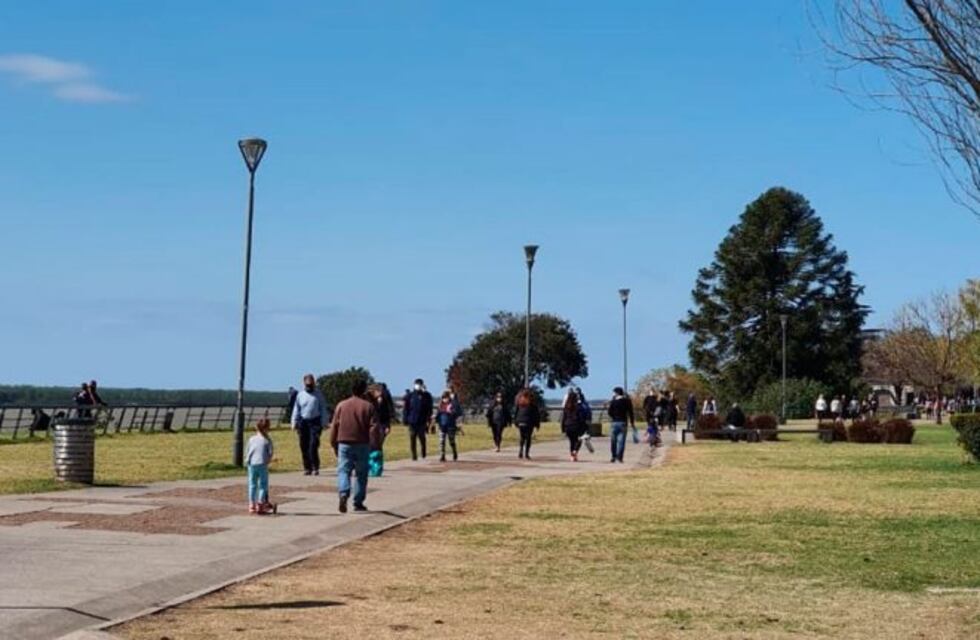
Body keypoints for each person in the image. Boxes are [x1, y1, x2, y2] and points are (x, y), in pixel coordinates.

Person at [329, 378, 379, 513]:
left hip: (344, 442)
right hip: (363, 443)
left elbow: (334, 425)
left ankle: (344, 493)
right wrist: (374, 444)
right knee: (361, 474)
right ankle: (358, 502)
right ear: (363, 391)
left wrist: (333, 442)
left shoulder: (341, 405)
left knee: (344, 470)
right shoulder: (368, 407)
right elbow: (373, 427)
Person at [290, 373, 331, 476]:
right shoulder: (300, 395)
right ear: (304, 384)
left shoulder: (318, 394)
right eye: (307, 384)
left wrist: (325, 422)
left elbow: (323, 409)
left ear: (314, 383)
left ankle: (315, 467)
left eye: (311, 384)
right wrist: (294, 422)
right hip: (303, 421)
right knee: (303, 445)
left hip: (315, 422)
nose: (309, 386)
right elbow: (296, 409)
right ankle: (307, 468)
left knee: (313, 445)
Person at [245, 418, 276, 515]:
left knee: (252, 484)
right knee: (263, 484)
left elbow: (247, 450)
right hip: (262, 463)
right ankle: (261, 503)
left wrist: (248, 460)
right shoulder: (267, 440)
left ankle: (251, 505)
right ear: (267, 429)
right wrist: (269, 460)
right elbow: (270, 453)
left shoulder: (251, 439)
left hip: (251, 463)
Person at [368, 383, 395, 476]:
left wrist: (388, 425)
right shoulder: (368, 399)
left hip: (382, 424)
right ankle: (371, 465)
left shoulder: (385, 397)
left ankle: (377, 465)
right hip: (371, 425)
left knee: (378, 444)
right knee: (371, 445)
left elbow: (389, 411)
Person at [404, 378, 434, 460]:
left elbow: (429, 408)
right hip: (412, 420)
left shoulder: (426, 396)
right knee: (412, 437)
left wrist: (428, 419)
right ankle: (414, 455)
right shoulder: (409, 396)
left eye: (419, 384)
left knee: (422, 437)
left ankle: (423, 451)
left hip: (422, 420)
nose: (418, 386)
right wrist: (405, 419)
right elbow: (406, 408)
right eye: (417, 384)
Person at [607, 386, 635, 463]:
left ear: (616, 393)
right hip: (623, 422)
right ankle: (620, 457)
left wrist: (613, 416)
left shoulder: (613, 401)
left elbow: (609, 412)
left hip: (614, 422)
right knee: (621, 441)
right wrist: (632, 422)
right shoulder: (627, 401)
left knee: (613, 441)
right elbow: (631, 412)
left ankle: (613, 456)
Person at [436, 390, 463, 462]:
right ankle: (442, 455)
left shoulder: (452, 404)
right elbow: (437, 415)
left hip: (451, 426)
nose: (445, 399)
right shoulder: (440, 405)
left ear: (449, 398)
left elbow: (456, 414)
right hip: (442, 426)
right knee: (442, 442)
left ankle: (454, 453)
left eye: (446, 398)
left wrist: (451, 412)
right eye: (443, 398)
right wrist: (435, 420)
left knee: (451, 441)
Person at [513, 388, 540, 459]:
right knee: (528, 438)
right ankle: (526, 453)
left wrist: (515, 421)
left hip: (520, 422)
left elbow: (516, 413)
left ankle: (520, 451)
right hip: (529, 422)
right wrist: (537, 424)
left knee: (522, 437)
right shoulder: (532, 405)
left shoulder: (520, 404)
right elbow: (536, 415)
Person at [560, 389, 585, 461]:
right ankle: (575, 451)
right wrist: (583, 427)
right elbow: (581, 418)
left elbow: (563, 418)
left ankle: (572, 456)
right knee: (579, 440)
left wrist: (563, 428)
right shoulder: (578, 407)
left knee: (571, 441)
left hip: (568, 425)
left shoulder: (566, 408)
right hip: (576, 425)